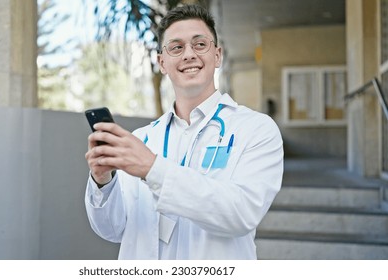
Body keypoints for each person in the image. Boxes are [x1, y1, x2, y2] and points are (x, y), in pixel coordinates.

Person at [84, 4, 283, 260]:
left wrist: (152, 169)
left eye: (200, 44)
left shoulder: (256, 129)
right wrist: (104, 181)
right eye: (177, 47)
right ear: (162, 62)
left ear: (218, 55)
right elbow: (112, 229)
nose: (189, 54)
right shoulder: (141, 139)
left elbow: (241, 214)